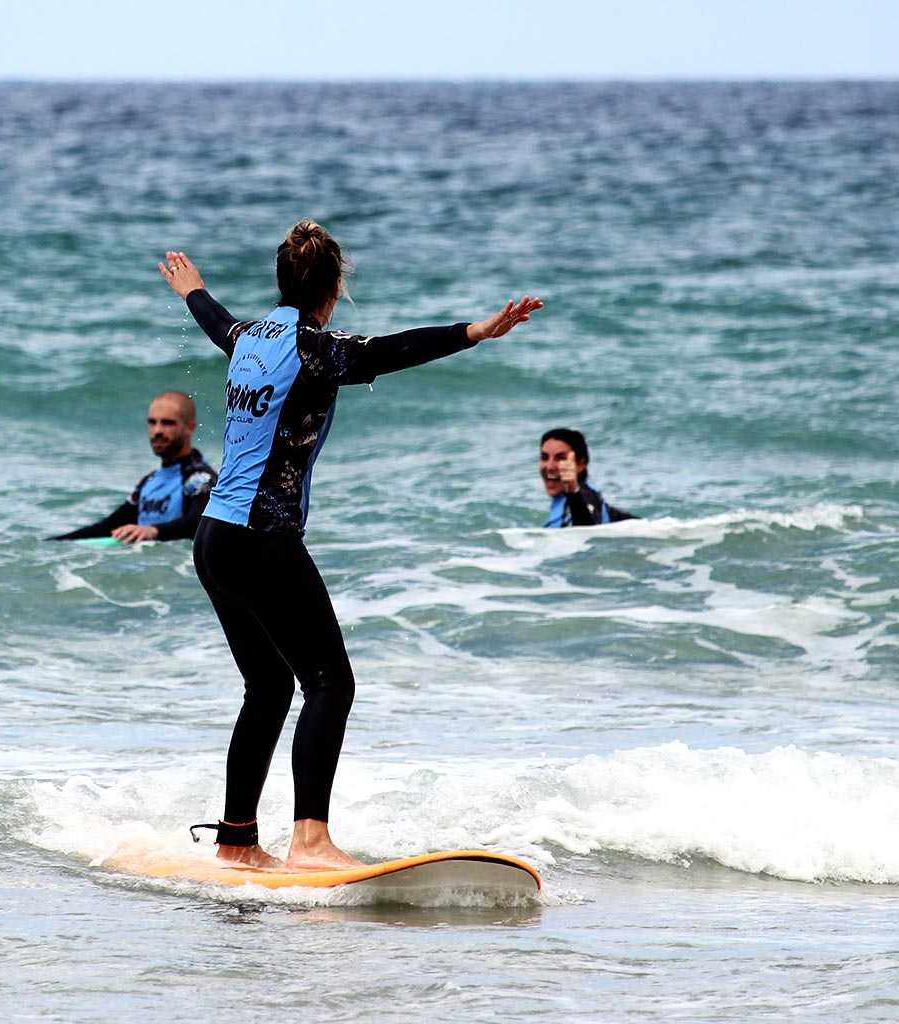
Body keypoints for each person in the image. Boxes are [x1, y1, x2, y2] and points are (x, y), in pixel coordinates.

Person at [159, 220, 543, 871]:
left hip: (214, 538)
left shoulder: (252, 337)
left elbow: (216, 321)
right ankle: (309, 841)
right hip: (262, 537)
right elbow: (392, 351)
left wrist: (193, 291)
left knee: (268, 686)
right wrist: (475, 333)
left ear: (284, 281)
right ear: (333, 288)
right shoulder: (317, 350)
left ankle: (237, 839)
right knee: (330, 683)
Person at [50, 391, 217, 544]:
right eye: (152, 422)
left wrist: (153, 531)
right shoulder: (149, 482)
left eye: (168, 423)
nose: (157, 430)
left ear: (190, 428)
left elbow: (201, 522)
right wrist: (55, 543)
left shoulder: (200, 478)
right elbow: (106, 528)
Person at [539, 427, 637, 528]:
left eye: (560, 458)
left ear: (580, 464)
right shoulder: (562, 501)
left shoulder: (587, 496)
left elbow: (587, 532)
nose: (549, 467)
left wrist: (573, 491)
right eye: (544, 458)